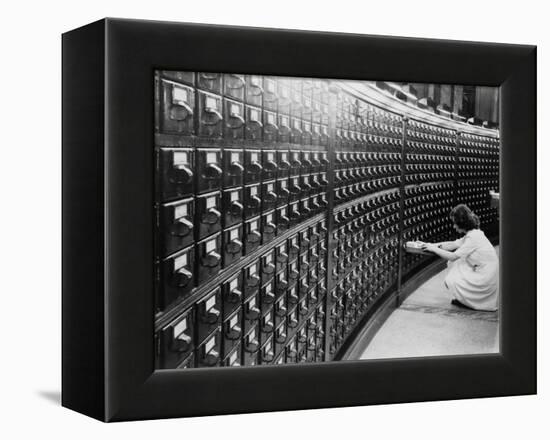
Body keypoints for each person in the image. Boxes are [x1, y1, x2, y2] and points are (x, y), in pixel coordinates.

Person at [420, 204, 499, 311]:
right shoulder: (474, 233)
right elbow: (451, 244)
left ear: (462, 223)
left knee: (454, 265)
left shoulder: (473, 238)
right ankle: (465, 299)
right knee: (457, 263)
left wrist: (433, 249)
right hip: (485, 273)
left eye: (455, 223)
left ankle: (469, 301)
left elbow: (452, 256)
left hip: (486, 279)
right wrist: (428, 244)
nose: (454, 226)